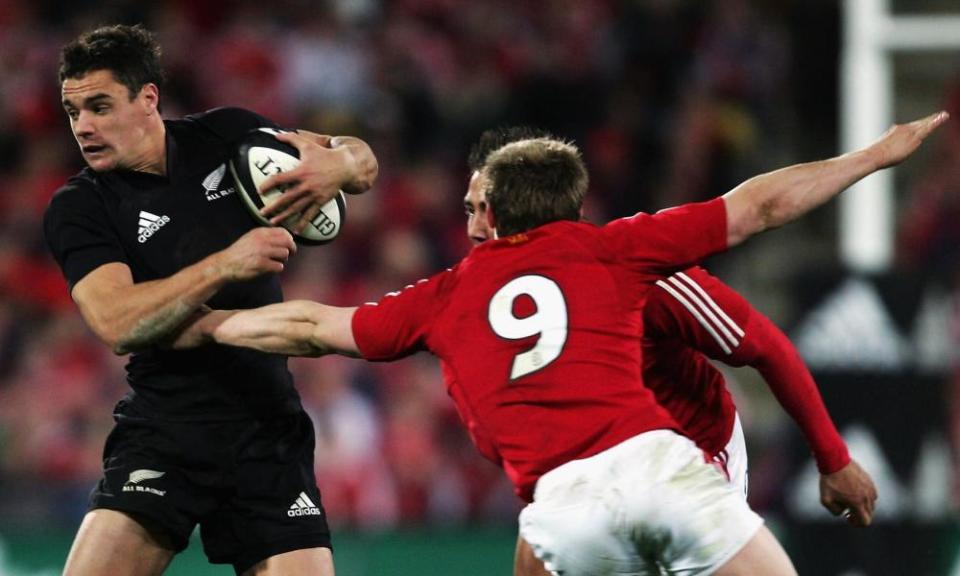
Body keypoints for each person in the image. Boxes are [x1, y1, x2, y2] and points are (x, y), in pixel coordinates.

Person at [182, 111, 946, 574]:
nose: (467, 216)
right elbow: (758, 207)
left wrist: (204, 321)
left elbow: (316, 326)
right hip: (661, 468)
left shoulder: (446, 295)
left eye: (476, 203)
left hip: (565, 501)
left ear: (497, 209)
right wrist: (875, 156)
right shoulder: (618, 251)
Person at [462, 127, 879, 575]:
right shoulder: (482, 303)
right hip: (586, 479)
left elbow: (766, 347)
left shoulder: (634, 270)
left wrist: (833, 458)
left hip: (688, 457)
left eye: (486, 211)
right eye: (470, 211)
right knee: (533, 557)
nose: (473, 229)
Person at [43, 24, 377, 576]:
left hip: (268, 428)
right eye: (73, 111)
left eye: (100, 107)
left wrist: (340, 164)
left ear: (147, 97)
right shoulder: (81, 207)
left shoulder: (228, 135)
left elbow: (361, 160)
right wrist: (228, 264)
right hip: (166, 429)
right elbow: (116, 319)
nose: (84, 127)